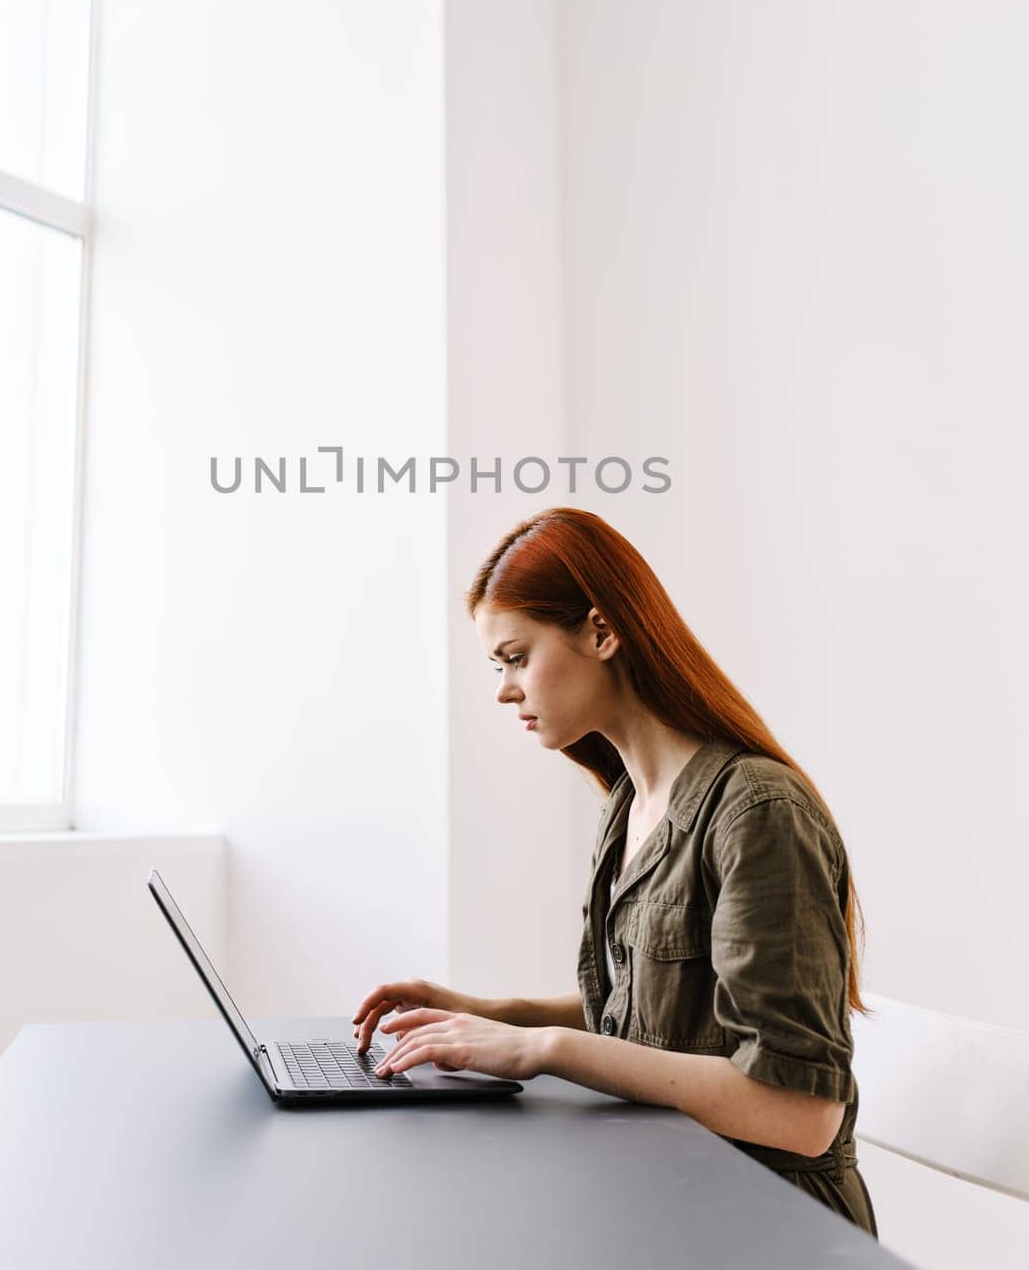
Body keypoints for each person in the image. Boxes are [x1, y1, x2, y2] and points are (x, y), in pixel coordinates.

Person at [351, 505, 878, 1238]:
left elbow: (800, 1113)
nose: (504, 689)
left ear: (601, 632)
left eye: (515, 657)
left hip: (768, 1226)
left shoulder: (756, 811)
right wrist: (492, 1016)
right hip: (665, 1196)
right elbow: (659, 1014)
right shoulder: (631, 802)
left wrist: (544, 1050)